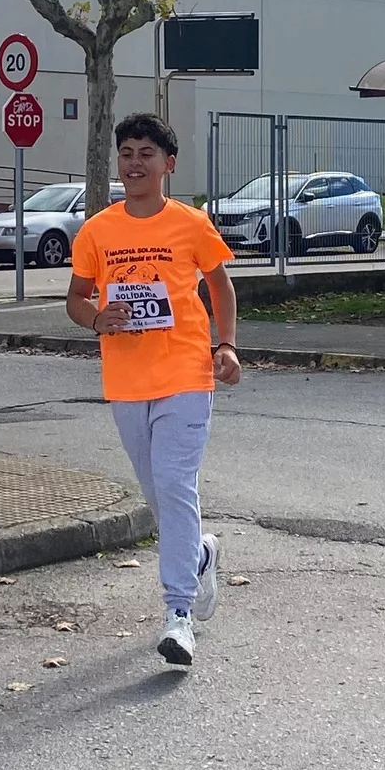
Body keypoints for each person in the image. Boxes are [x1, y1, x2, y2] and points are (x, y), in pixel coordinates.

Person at [66, 113, 241, 670]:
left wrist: (227, 345)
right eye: (126, 153)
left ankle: (178, 616)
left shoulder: (191, 224)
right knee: (159, 497)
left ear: (169, 164)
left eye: (146, 153)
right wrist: (97, 319)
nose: (134, 163)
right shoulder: (98, 230)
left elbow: (220, 285)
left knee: (174, 483)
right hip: (125, 382)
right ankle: (202, 555)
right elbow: (75, 299)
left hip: (186, 375)